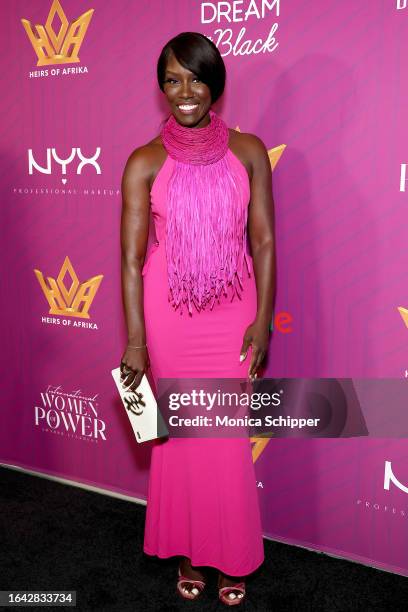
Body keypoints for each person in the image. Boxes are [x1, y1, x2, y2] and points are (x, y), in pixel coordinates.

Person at [119, 31, 276, 606]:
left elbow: (262, 241)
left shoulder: (250, 150)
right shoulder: (143, 162)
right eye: (171, 80)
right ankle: (188, 552)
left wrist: (262, 318)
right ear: (162, 89)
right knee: (181, 440)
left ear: (216, 83)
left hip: (232, 309)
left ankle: (231, 555)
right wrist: (136, 342)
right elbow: (133, 261)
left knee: (226, 439)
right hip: (170, 317)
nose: (184, 92)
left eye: (195, 77)